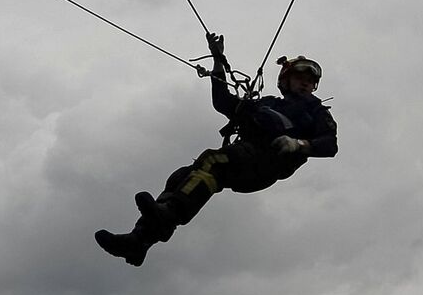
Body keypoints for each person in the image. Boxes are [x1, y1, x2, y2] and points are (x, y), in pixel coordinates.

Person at [95, 35, 337, 266]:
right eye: (299, 77)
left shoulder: (316, 111)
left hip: (268, 162)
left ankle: (167, 216)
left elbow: (330, 144)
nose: (305, 83)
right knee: (182, 176)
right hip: (246, 157)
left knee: (212, 161)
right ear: (286, 80)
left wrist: (299, 144)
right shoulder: (266, 104)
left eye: (309, 80)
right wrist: (218, 61)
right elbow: (223, 101)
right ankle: (139, 241)